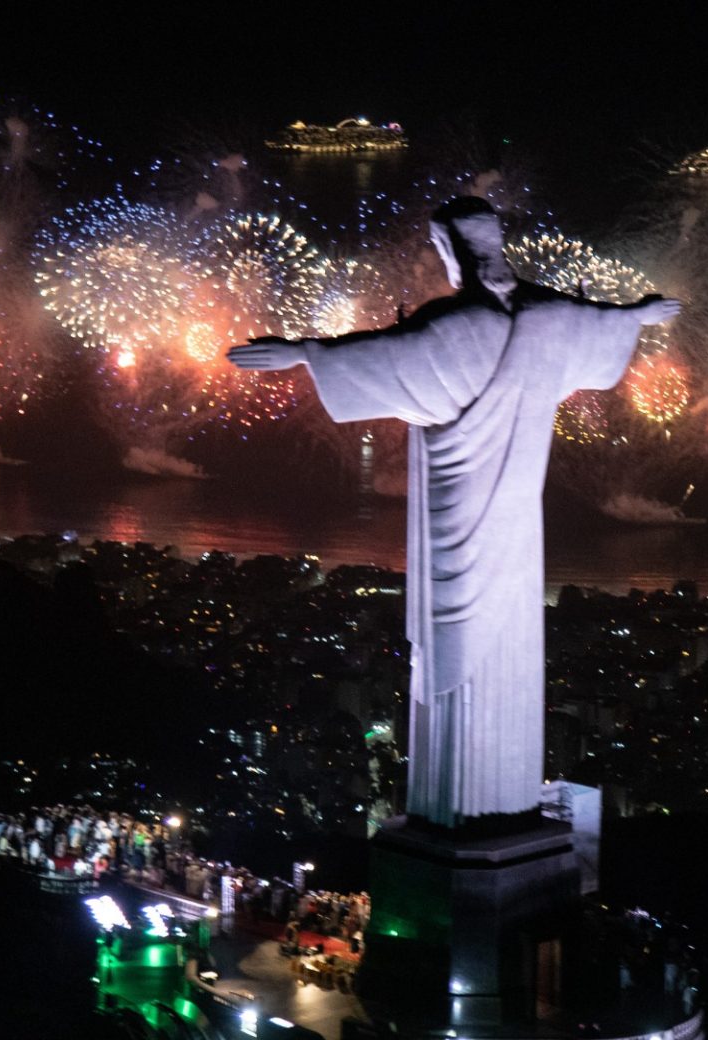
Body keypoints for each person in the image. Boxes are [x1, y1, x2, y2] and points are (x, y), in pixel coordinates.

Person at [229, 196, 679, 827]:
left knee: (455, 651)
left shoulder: (455, 327)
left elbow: (382, 356)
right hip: (519, 531)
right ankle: (497, 806)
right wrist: (638, 316)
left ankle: (463, 813)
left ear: (448, 251)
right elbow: (599, 325)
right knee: (503, 646)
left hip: (457, 516)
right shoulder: (550, 317)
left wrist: (304, 352)